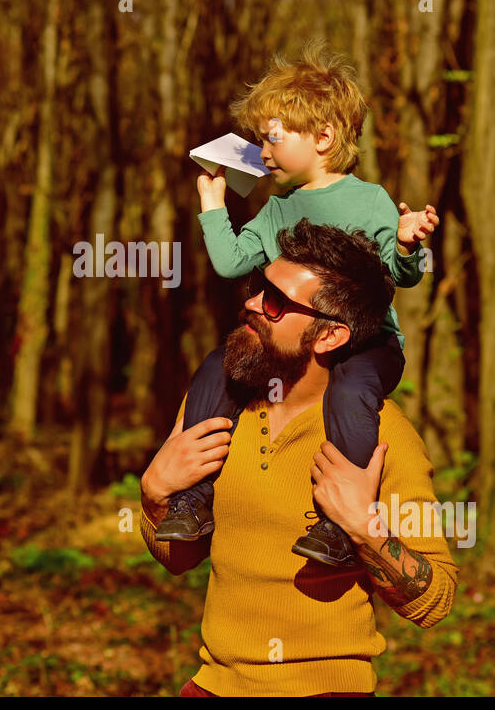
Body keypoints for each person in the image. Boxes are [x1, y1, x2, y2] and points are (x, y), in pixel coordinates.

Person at [139, 219, 457, 695]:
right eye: (256, 289)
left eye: (274, 302)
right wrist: (154, 496)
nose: (250, 304)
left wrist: (364, 530)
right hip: (211, 686)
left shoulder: (385, 436)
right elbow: (180, 558)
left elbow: (436, 600)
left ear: (329, 337)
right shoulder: (215, 408)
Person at [154, 40, 439, 568]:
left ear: (324, 138)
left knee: (351, 391)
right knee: (217, 368)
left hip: (366, 342)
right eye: (260, 141)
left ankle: (338, 522)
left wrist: (405, 243)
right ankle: (193, 499)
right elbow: (232, 263)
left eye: (273, 139)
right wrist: (213, 204)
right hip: (289, 344)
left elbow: (401, 278)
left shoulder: (370, 200)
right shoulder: (275, 208)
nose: (262, 153)